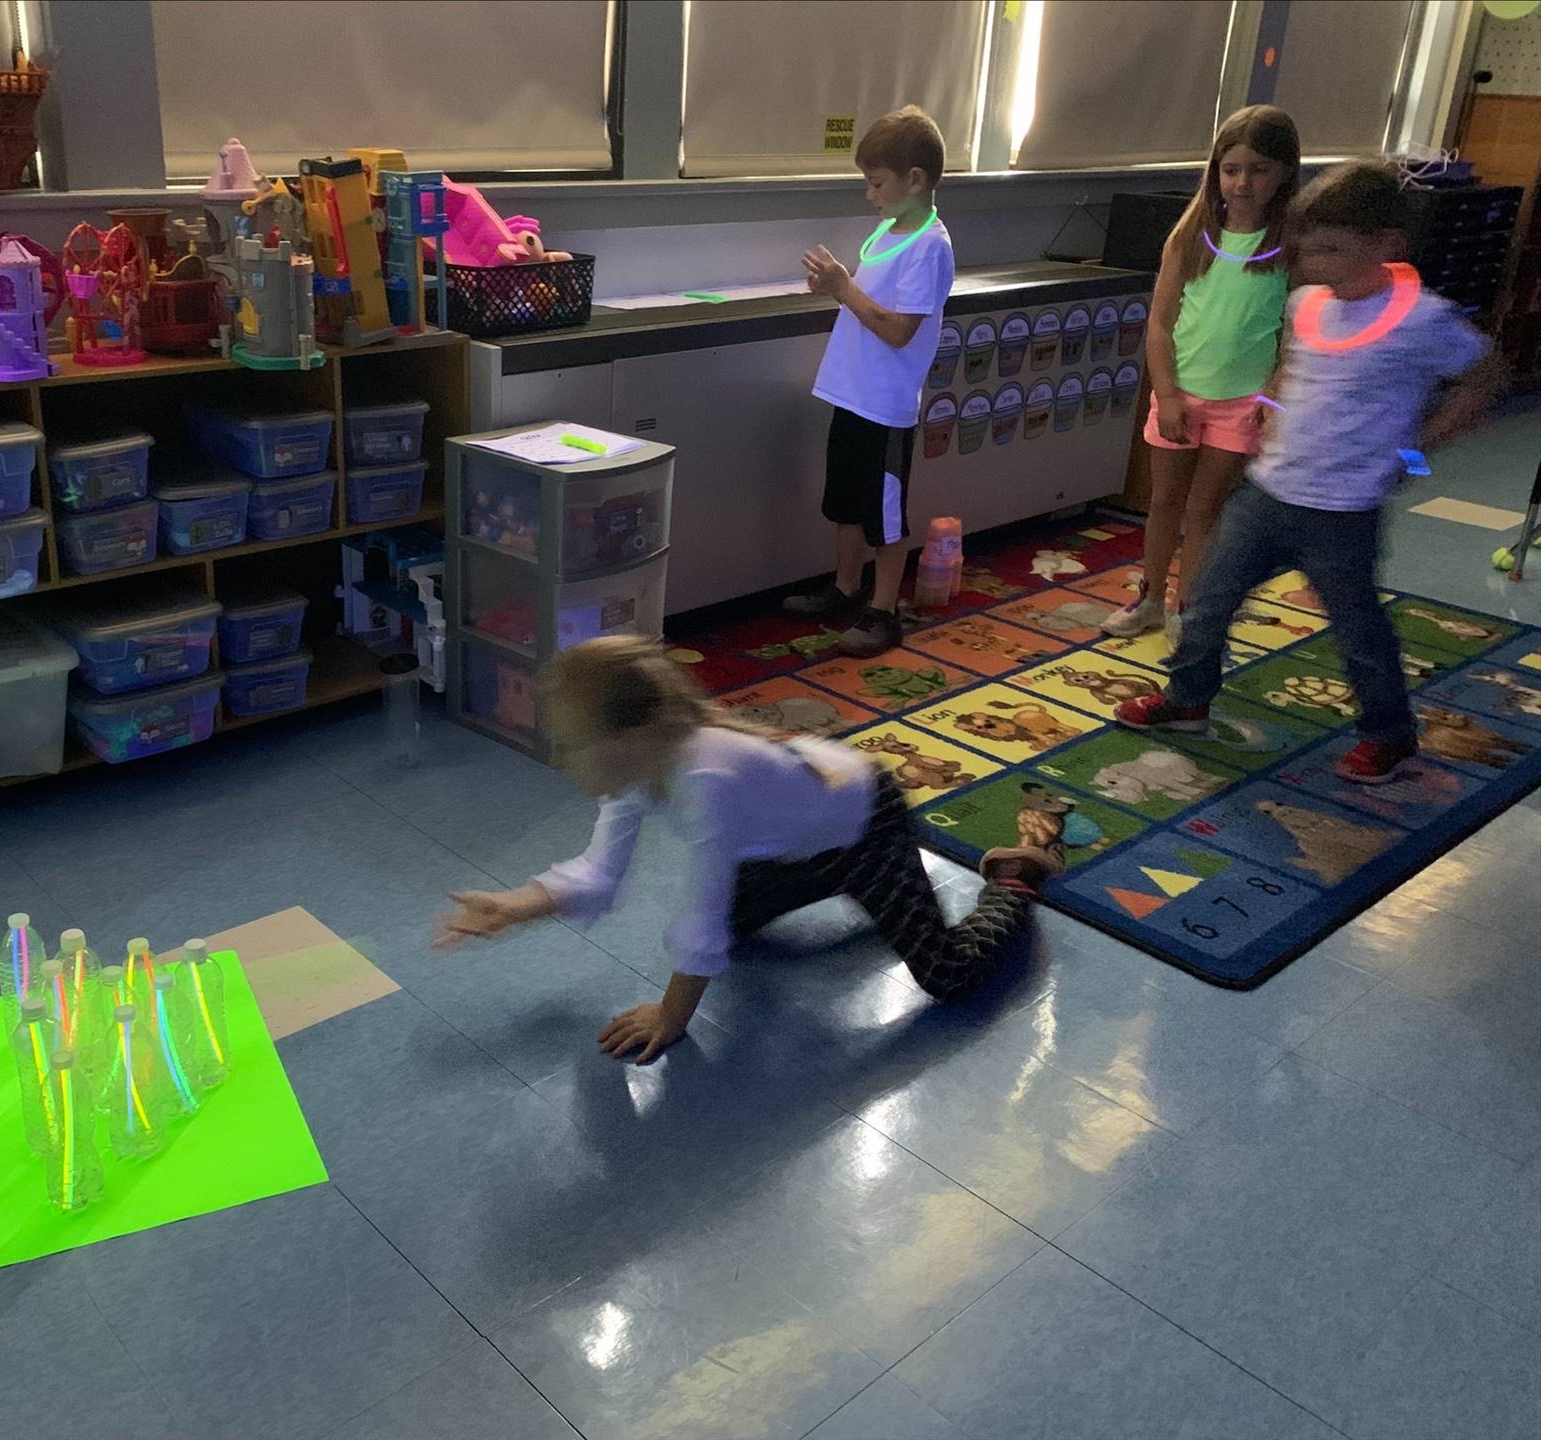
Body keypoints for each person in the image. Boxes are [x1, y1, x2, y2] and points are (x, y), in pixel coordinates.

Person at [433, 638, 1057, 1063]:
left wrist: (671, 1017)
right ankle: (874, 897)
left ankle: (1014, 879)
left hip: (868, 826)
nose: (564, 760)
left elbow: (699, 920)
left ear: (631, 735)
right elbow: (600, 872)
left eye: (575, 744)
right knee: (735, 928)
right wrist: (516, 906)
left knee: (946, 975)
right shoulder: (640, 767)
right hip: (797, 839)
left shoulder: (705, 779)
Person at [1117, 160, 1500, 784]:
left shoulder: (1421, 319)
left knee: (1356, 629)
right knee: (1209, 601)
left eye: (1331, 249)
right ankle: (1186, 700)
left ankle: (1390, 734)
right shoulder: (1305, 304)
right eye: (1307, 247)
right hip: (1268, 493)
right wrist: (1271, 408)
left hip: (1343, 511)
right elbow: (1291, 367)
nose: (1312, 260)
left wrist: (1416, 451)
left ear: (1386, 247)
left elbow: (1484, 374)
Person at [1102, 105, 1300, 638]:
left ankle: (1189, 607)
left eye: (1258, 169)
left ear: (1283, 172)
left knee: (1205, 508)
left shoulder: (1288, 249)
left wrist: (1272, 397)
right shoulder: (1189, 239)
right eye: (1230, 169)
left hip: (1242, 404)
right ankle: (1149, 598)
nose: (1242, 182)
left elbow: (1295, 336)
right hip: (1180, 397)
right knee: (1163, 501)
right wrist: (1166, 395)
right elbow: (1160, 324)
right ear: (1215, 172)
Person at [783, 106, 956, 658]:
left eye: (876, 182)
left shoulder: (931, 246)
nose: (869, 194)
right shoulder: (887, 231)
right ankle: (844, 586)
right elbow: (869, 303)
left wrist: (842, 289)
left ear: (915, 180)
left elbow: (899, 329)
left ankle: (883, 610)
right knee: (846, 502)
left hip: (885, 404)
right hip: (851, 392)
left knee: (883, 514)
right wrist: (834, 286)